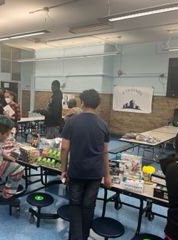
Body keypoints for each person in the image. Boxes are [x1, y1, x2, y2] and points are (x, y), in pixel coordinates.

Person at [60, 89, 112, 240]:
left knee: (75, 205)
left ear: (82, 102)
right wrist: (107, 176)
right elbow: (105, 152)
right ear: (97, 105)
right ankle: (83, 236)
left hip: (76, 171)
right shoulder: (103, 124)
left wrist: (63, 169)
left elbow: (64, 148)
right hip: (95, 173)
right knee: (88, 206)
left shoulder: (72, 121)